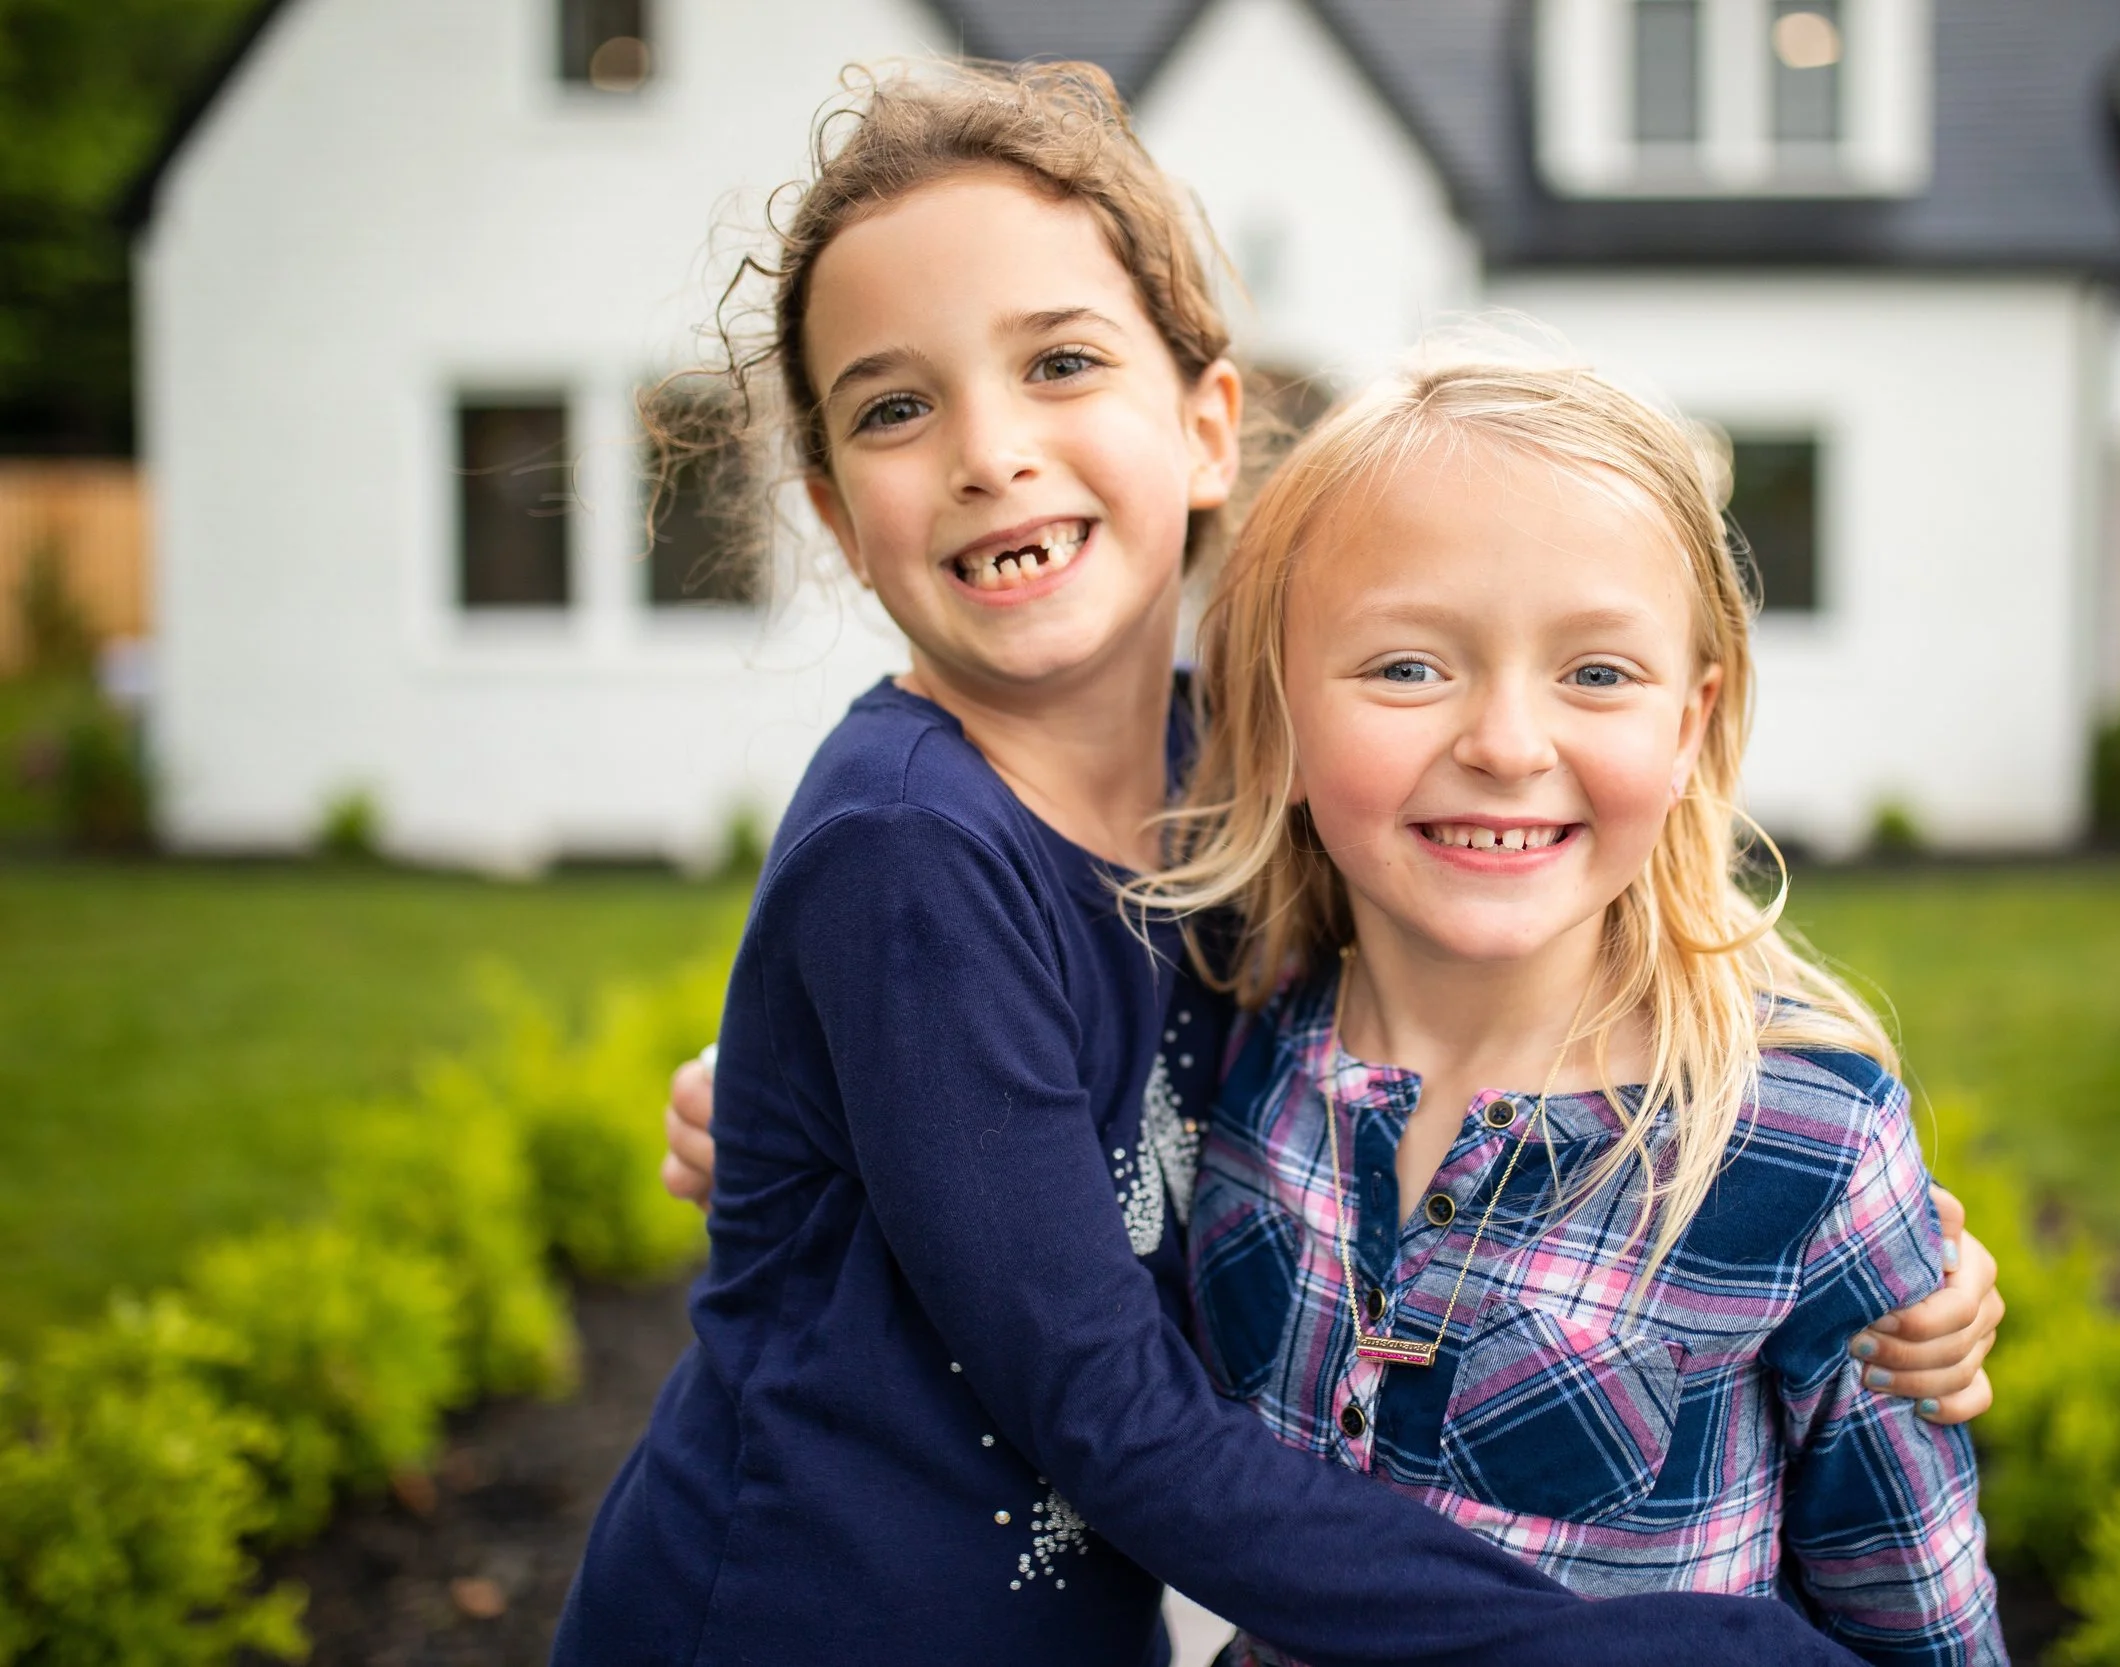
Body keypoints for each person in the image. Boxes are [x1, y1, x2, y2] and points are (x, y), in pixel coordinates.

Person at [585, 57, 2000, 1666]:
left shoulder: (1249, 778)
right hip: (800, 1618)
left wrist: (1872, 1247)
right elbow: (1119, 1415)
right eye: (897, 406)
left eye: (1058, 361)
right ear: (840, 519)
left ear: (1207, 427)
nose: (989, 451)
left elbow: (1524, 962)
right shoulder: (910, 845)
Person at [1127, 356, 2005, 1662]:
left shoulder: (1799, 1142)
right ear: (1282, 708)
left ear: (1691, 724)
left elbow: (1920, 1626)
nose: (1506, 740)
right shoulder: (1244, 1036)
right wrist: (780, 1103)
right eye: (1411, 665)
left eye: (1596, 673)